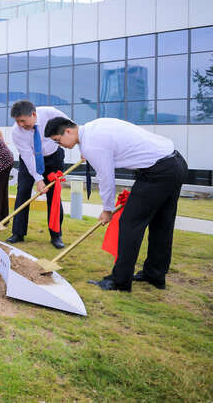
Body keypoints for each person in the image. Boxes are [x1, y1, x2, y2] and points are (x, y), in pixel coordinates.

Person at [45, 117, 188, 292]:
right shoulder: (92, 127)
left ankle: (120, 282)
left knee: (129, 224)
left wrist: (107, 209)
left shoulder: (91, 144)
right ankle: (155, 275)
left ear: (67, 131)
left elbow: (106, 178)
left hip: (158, 172)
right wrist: (88, 153)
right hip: (175, 163)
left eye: (58, 141)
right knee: (161, 224)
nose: (60, 145)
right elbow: (107, 147)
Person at [8, 100, 69, 249]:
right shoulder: (16, 132)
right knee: (22, 192)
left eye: (23, 120)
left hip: (53, 157)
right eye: (17, 121)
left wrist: (83, 147)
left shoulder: (51, 113)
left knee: (54, 195)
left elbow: (71, 127)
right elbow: (27, 156)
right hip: (31, 159)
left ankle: (56, 235)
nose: (21, 124)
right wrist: (38, 179)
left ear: (33, 114)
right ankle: (18, 233)